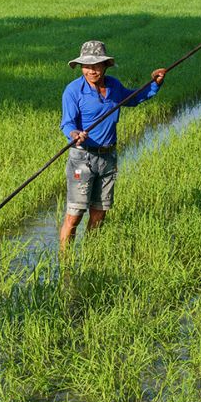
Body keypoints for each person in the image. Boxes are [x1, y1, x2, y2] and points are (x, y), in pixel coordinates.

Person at [59, 40, 166, 249]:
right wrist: (74, 134)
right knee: (74, 216)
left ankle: (91, 255)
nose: (92, 70)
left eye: (96, 65)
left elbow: (134, 98)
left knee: (99, 214)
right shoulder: (73, 91)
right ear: (81, 67)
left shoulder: (114, 86)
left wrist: (155, 84)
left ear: (105, 65)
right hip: (82, 158)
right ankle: (65, 263)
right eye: (87, 66)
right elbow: (67, 123)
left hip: (108, 157)